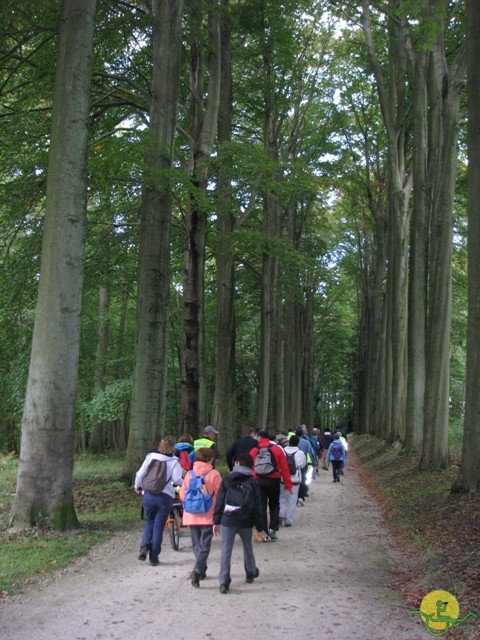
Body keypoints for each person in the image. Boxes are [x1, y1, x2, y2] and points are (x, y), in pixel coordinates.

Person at [213, 452, 268, 594]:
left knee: (226, 549)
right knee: (247, 546)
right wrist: (261, 527)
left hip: (228, 519)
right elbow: (257, 507)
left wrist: (216, 521)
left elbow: (219, 501)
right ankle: (250, 571)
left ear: (237, 463)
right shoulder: (253, 482)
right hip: (246, 519)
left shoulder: (227, 480)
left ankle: (224, 581)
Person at [134, 436, 183, 565]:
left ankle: (144, 546)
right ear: (173, 447)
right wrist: (184, 483)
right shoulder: (174, 461)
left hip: (149, 495)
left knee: (149, 521)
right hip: (165, 497)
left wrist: (137, 487)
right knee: (158, 526)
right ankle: (154, 557)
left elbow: (140, 474)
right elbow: (177, 480)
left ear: (160, 445)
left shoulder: (150, 457)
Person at [179, 447, 222, 587]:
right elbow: (220, 494)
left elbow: (182, 493)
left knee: (196, 543)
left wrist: (189, 504)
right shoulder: (214, 474)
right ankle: (198, 570)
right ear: (210, 459)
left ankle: (200, 570)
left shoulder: (189, 474)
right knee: (205, 545)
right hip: (208, 514)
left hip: (191, 514)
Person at [250, 429, 293, 540]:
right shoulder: (276, 449)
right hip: (274, 480)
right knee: (274, 504)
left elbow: (250, 467)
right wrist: (288, 484)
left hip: (258, 480)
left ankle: (263, 532)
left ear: (259, 437)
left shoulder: (254, 450)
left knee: (262, 506)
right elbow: (284, 468)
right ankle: (272, 529)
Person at [279, 435, 306, 527]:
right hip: (295, 479)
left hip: (283, 478)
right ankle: (288, 520)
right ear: (298, 443)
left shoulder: (283, 451)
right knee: (292, 500)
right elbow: (302, 465)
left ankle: (281, 514)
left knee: (282, 498)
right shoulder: (300, 453)